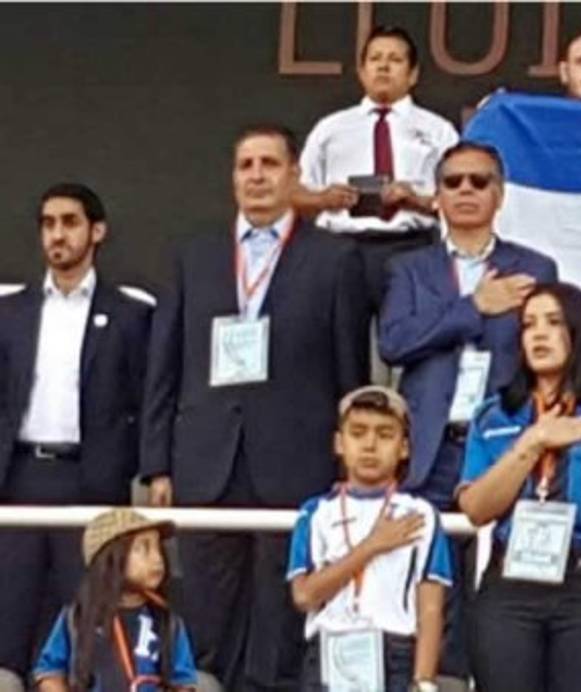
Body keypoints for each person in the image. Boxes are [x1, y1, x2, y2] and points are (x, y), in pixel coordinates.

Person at [140, 123, 368, 690]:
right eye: (246, 165)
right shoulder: (194, 255)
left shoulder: (336, 259)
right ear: (233, 179)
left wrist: (345, 464)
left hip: (295, 465)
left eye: (270, 164)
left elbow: (351, 375)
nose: (258, 175)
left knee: (278, 627)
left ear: (295, 176)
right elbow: (163, 366)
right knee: (207, 624)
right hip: (205, 459)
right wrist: (158, 464)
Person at [379, 140, 557, 675]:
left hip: (503, 447)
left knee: (503, 584)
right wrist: (472, 307)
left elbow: (548, 350)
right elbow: (394, 342)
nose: (465, 191)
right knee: (425, 587)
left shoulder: (534, 265)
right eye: (453, 181)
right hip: (431, 450)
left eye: (479, 181)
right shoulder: (410, 269)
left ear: (499, 194)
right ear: (435, 196)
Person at [457, 282, 581, 691]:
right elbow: (477, 508)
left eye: (553, 323)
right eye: (528, 324)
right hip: (509, 584)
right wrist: (532, 442)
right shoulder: (493, 415)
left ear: (578, 332)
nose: (538, 333)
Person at [0, 183, 152, 680]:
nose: (57, 234)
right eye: (47, 224)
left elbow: (145, 399)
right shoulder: (10, 312)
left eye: (69, 222)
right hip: (18, 477)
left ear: (97, 231)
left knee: (83, 616)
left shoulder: (131, 314)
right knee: (10, 612)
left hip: (90, 480)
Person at [287, 385, 451, 692]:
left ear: (404, 448)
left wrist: (424, 681)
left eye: (385, 435)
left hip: (395, 651)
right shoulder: (316, 512)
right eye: (358, 433)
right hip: (330, 648)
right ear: (339, 443)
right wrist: (372, 546)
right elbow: (305, 596)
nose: (370, 445)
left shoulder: (421, 514)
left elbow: (430, 608)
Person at [295, 25, 460, 310]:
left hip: (411, 247)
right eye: (375, 59)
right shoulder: (330, 129)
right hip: (341, 248)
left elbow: (459, 200)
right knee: (343, 345)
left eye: (395, 60)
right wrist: (324, 199)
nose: (383, 66)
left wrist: (415, 199)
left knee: (412, 343)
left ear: (413, 75)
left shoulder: (438, 130)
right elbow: (293, 196)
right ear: (361, 71)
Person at [33, 508, 197, 691]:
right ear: (110, 559)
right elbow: (50, 672)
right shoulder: (77, 617)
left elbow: (183, 682)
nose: (156, 559)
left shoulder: (167, 622)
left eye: (158, 548)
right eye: (142, 548)